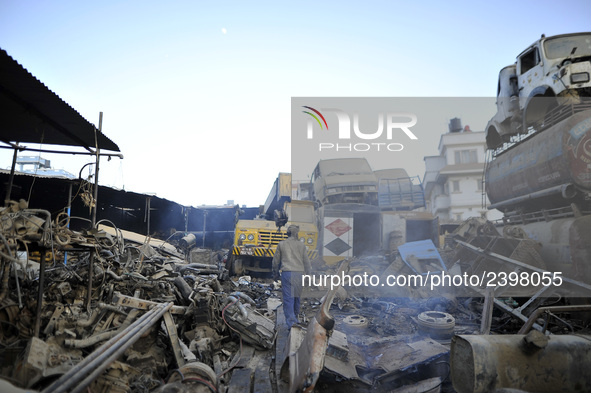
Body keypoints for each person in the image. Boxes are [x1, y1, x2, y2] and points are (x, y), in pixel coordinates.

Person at [272, 225, 312, 329]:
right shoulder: (302, 245)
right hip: (299, 273)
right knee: (296, 297)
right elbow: (307, 262)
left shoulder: (282, 244)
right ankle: (295, 318)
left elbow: (276, 261)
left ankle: (291, 322)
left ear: (287, 233)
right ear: (297, 233)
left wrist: (275, 273)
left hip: (287, 273)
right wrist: (308, 274)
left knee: (288, 298)